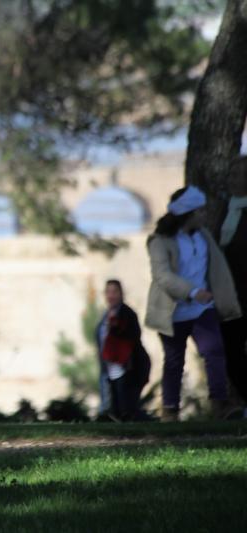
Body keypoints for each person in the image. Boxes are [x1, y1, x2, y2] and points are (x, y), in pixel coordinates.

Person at [145, 186, 242, 421]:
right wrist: (193, 291)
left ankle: (220, 405)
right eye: (200, 211)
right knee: (174, 361)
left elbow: (217, 268)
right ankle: (170, 410)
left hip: (202, 309)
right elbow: (163, 276)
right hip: (174, 311)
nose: (204, 215)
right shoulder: (160, 241)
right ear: (188, 213)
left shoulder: (203, 235)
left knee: (214, 351)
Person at [95, 280, 152, 421]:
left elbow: (130, 339)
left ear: (121, 294)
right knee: (115, 411)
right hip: (110, 371)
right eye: (108, 292)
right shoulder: (105, 317)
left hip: (127, 369)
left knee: (127, 409)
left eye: (114, 292)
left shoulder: (127, 314)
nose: (111, 295)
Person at [219, 157, 247, 411]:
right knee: (232, 355)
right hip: (231, 296)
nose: (231, 180)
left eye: (237, 175)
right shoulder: (224, 209)